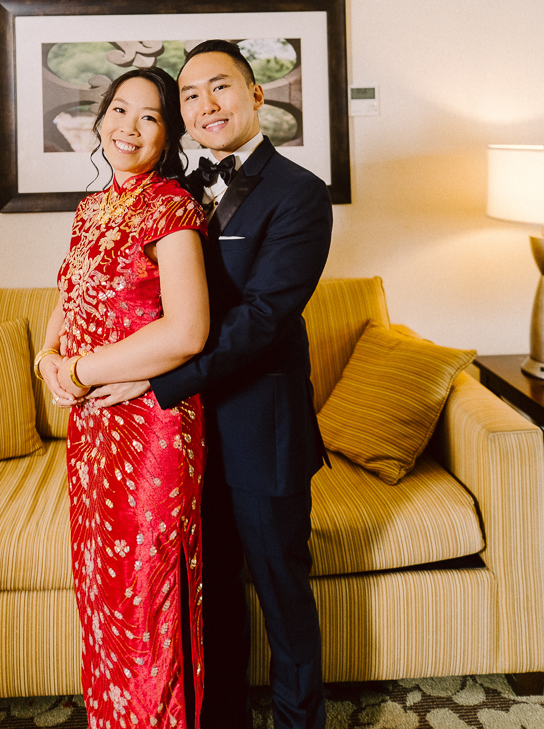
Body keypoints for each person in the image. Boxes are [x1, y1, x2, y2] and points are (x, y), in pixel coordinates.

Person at [93, 40, 333, 729]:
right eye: (190, 96)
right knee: (210, 595)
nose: (207, 105)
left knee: (282, 594)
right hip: (183, 436)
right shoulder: (174, 191)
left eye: (220, 87)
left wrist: (156, 379)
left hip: (260, 430)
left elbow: (262, 318)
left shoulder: (299, 193)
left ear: (255, 94)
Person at [37, 67, 210, 729]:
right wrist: (47, 358)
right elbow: (68, 296)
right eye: (119, 110)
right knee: (103, 589)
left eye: (149, 116)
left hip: (152, 431)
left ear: (169, 136)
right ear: (101, 117)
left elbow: (187, 332)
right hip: (92, 431)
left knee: (146, 598)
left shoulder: (172, 208)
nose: (128, 128)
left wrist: (78, 369)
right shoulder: (91, 208)